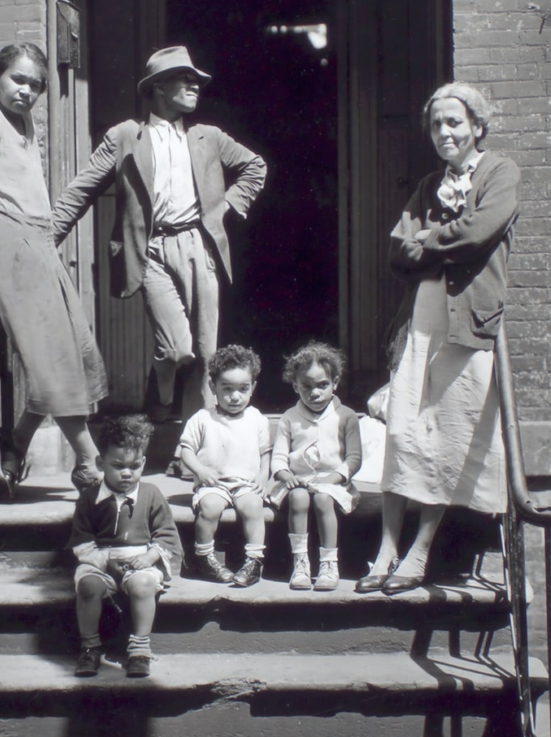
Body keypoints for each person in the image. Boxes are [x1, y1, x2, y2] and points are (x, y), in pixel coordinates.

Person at [51, 46, 267, 448]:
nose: (194, 85)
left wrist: (225, 209)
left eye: (197, 80)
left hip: (198, 246)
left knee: (205, 354)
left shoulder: (210, 137)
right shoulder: (125, 137)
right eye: (183, 78)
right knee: (175, 349)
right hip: (150, 250)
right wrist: (46, 239)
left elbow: (255, 166)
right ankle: (159, 397)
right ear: (157, 88)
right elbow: (81, 191)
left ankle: (193, 450)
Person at [355, 82, 520, 595]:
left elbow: (481, 231)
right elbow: (395, 256)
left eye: (454, 122)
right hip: (420, 319)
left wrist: (427, 240)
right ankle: (385, 550)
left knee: (449, 434)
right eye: (435, 124)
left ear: (477, 126)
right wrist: (434, 242)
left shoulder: (500, 172)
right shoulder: (429, 185)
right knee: (404, 429)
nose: (444, 132)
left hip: (468, 321)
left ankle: (419, 550)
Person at [0, 43, 108, 499]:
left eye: (36, 85)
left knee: (71, 352)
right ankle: (89, 461)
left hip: (39, 240)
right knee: (51, 357)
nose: (26, 91)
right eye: (17, 79)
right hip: (9, 240)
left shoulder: (24, 122)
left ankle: (13, 446)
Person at [69, 415, 182, 678]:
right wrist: (104, 561)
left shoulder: (151, 494)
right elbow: (81, 541)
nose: (127, 473)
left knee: (142, 585)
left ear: (143, 463)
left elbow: (167, 535)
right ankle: (89, 647)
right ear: (101, 463)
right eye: (118, 465)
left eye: (135, 466)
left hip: (140, 561)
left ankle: (140, 648)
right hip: (100, 562)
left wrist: (150, 556)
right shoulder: (89, 498)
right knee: (88, 586)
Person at [269, 342, 362, 592]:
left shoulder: (347, 416)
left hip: (332, 484)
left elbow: (354, 458)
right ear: (296, 386)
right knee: (299, 497)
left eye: (322, 385)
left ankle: (329, 564)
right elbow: (278, 456)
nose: (315, 393)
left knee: (322, 499)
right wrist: (285, 474)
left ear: (335, 382)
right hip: (298, 481)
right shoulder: (289, 417)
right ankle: (300, 563)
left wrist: (334, 478)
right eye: (306, 386)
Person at [179, 345, 271, 588]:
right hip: (214, 484)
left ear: (253, 387)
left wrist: (263, 475)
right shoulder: (203, 418)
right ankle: (203, 557)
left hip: (246, 484)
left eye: (243, 389)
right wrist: (199, 470)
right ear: (212, 387)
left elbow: (265, 453)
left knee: (253, 506)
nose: (235, 396)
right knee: (209, 507)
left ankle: (254, 561)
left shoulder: (257, 419)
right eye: (227, 389)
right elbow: (185, 451)